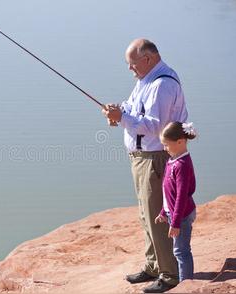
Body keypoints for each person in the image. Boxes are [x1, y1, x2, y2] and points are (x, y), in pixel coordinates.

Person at [102, 38, 188, 293]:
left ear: (148, 59)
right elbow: (132, 108)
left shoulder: (162, 84)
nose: (130, 69)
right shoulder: (145, 80)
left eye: (132, 63)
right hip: (141, 159)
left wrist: (123, 118)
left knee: (158, 217)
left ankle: (169, 274)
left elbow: (155, 126)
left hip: (155, 158)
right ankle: (153, 265)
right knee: (145, 215)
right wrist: (118, 112)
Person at [155, 121, 197, 283]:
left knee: (181, 251)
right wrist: (163, 212)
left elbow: (181, 196)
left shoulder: (182, 165)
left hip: (182, 215)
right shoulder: (173, 160)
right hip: (174, 214)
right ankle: (184, 282)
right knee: (178, 250)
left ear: (180, 142)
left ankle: (186, 284)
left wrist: (176, 222)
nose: (164, 148)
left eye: (166, 145)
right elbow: (169, 194)